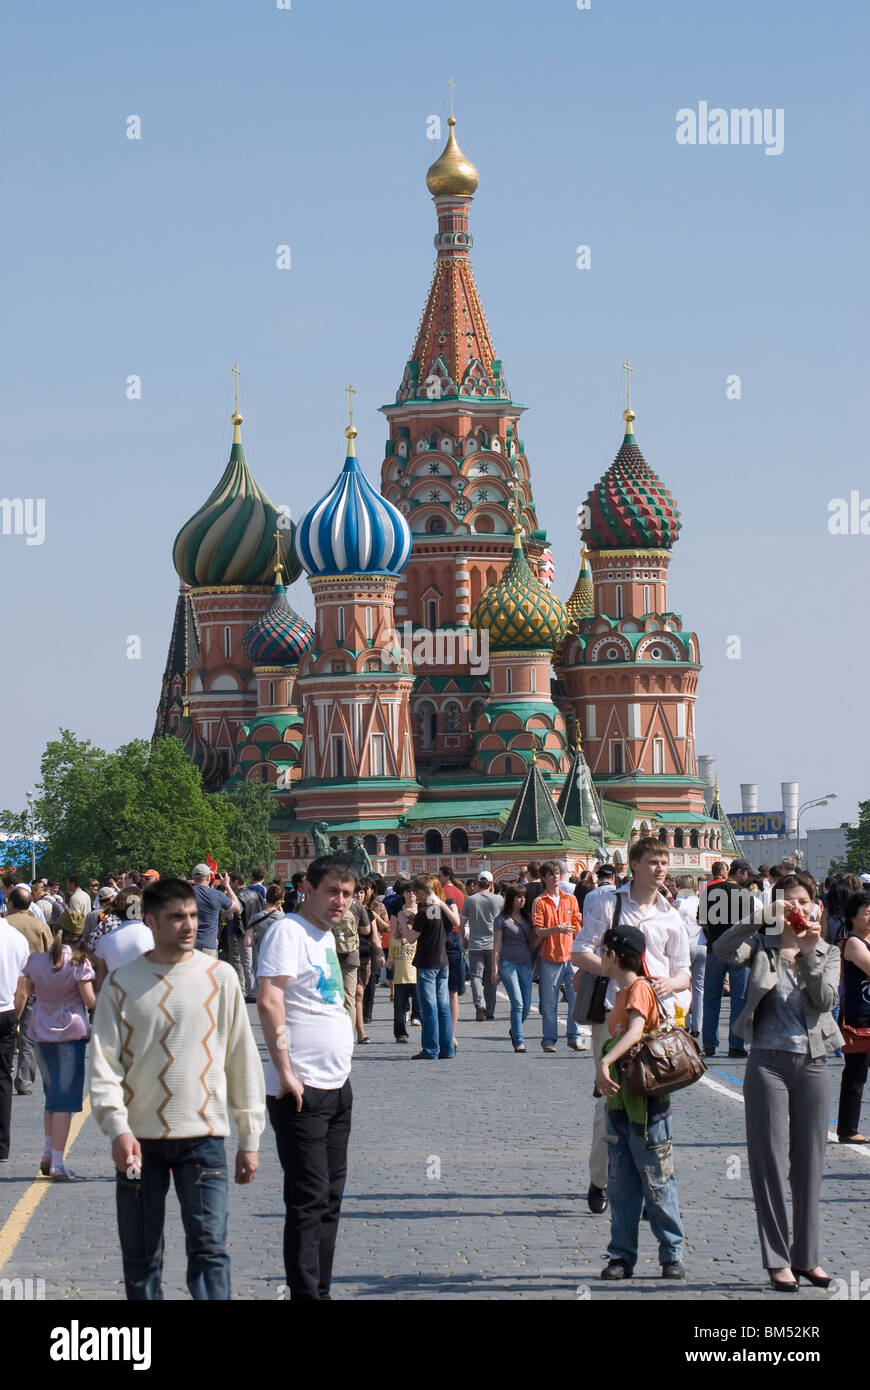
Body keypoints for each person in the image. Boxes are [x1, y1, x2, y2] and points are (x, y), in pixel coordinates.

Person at [90, 876, 264, 1300]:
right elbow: (103, 1066)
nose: (188, 925)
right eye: (176, 918)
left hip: (203, 1140)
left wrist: (250, 1136)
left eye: (191, 915)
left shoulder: (221, 978)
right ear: (150, 921)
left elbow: (241, 1058)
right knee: (141, 1257)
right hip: (138, 1143)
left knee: (209, 1253)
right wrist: (117, 1128)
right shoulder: (120, 984)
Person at [714, 871, 841, 1291]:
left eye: (803, 901)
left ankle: (807, 1257)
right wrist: (757, 918)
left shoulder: (827, 951)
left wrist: (807, 955)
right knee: (769, 1161)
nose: (796, 909)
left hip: (814, 1061)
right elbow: (721, 948)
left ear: (815, 906)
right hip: (766, 1061)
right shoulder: (761, 947)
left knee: (809, 1165)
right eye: (788, 901)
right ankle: (777, 1260)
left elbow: (823, 1001)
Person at [572, 836, 691, 1215]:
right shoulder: (607, 902)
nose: (660, 870)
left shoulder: (671, 914)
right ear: (634, 866)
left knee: (650, 1099)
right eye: (653, 862)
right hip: (614, 1015)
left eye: (664, 863)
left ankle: (644, 1180)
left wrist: (669, 984)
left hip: (657, 1020)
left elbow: (684, 972)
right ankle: (600, 1178)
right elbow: (580, 951)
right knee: (609, 1100)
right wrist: (621, 974)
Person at [256, 854, 355, 1301]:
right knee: (309, 1198)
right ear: (308, 890)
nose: (340, 901)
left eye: (348, 894)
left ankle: (321, 1290)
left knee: (330, 1200)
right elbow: (269, 1000)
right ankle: (304, 1295)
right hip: (300, 1089)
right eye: (332, 891)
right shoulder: (287, 932)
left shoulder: (324, 935)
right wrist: (285, 1072)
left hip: (337, 1086)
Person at [595, 923, 686, 1280]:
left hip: (647, 1106)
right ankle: (621, 1256)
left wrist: (604, 1060)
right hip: (620, 1103)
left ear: (615, 956)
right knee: (621, 1187)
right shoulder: (621, 992)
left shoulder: (638, 990)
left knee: (658, 1182)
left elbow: (634, 1032)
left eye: (603, 952)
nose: (600, 958)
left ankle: (672, 1254)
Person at [24, 910, 96, 1180]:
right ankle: (57, 1161)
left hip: (41, 1031)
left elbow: (29, 990)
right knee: (64, 1101)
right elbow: (90, 1002)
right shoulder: (79, 963)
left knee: (51, 1096)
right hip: (70, 1032)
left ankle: (46, 1151)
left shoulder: (37, 961)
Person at [699, 858, 756, 1058]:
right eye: (748, 874)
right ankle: (736, 1045)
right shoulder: (745, 895)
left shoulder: (710, 892)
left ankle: (709, 1044)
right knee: (739, 998)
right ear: (739, 872)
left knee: (711, 997)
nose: (749, 878)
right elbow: (751, 925)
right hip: (739, 951)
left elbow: (703, 922)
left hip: (714, 949)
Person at [399, 874, 459, 1060]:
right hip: (443, 961)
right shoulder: (441, 909)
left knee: (429, 1007)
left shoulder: (424, 913)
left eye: (416, 892)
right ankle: (447, 1049)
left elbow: (410, 938)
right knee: (442, 1006)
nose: (414, 896)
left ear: (421, 891)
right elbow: (455, 923)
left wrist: (402, 921)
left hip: (426, 962)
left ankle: (430, 1049)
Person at [531, 862, 585, 1053]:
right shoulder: (539, 902)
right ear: (544, 878)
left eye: (556, 874)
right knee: (549, 1002)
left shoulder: (570, 899)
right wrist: (557, 929)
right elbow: (538, 931)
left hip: (571, 956)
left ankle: (574, 1036)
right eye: (551, 875)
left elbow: (577, 924)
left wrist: (583, 946)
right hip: (550, 957)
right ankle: (549, 1039)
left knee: (576, 998)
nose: (555, 877)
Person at [5, 885, 53, 1096]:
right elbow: (52, 955)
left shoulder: (5, 924)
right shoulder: (40, 925)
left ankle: (5, 1070)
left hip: (6, 985)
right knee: (28, 1036)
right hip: (33, 986)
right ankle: (24, 1081)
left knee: (5, 1034)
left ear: (11, 903)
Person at [836, 888, 870, 1143]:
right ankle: (847, 1129)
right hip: (859, 1019)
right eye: (867, 912)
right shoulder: (853, 943)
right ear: (853, 917)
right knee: (855, 1075)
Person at [0, 911, 30, 1162]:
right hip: (7, 1011)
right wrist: (16, 1018)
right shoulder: (17, 938)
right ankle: (1, 1147)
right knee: (3, 1079)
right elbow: (22, 989)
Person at [492, 885, 535, 1052]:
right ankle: (519, 1041)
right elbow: (496, 946)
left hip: (526, 963)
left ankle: (514, 1029)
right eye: (519, 897)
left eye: (524, 897)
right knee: (517, 1002)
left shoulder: (529, 917)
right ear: (511, 899)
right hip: (507, 963)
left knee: (526, 1005)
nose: (523, 900)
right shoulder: (501, 919)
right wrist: (494, 969)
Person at [460, 872, 504, 1021]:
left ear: (477, 884)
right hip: (494, 945)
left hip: (475, 945)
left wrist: (464, 938)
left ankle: (479, 1004)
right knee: (491, 978)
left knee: (476, 978)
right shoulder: (499, 900)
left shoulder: (470, 900)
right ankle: (490, 1010)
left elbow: (461, 924)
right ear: (491, 884)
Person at [92, 909, 155, 992]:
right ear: (142, 911)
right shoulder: (153, 935)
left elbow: (99, 985)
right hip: (145, 994)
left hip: (116, 997)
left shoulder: (104, 940)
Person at [674, 874, 704, 1037]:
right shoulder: (701, 902)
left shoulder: (678, 904)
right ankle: (697, 1026)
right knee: (699, 989)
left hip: (683, 949)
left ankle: (683, 1021)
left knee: (682, 986)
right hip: (701, 946)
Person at [191, 865, 240, 958]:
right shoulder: (217, 895)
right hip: (209, 945)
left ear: (193, 877)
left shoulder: (184, 893)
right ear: (208, 877)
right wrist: (227, 886)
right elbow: (237, 907)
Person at [389, 889, 418, 1044]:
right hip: (399, 979)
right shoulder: (395, 941)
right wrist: (387, 962)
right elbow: (390, 958)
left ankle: (417, 1018)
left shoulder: (416, 940)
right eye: (402, 925)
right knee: (399, 1008)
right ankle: (400, 1033)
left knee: (420, 1004)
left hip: (415, 976)